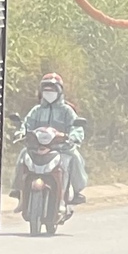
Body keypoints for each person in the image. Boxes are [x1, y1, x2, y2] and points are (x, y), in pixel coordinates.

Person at [19, 72, 88, 212]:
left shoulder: (67, 111)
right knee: (22, 156)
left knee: (75, 157)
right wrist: (21, 132)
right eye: (46, 90)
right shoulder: (36, 110)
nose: (49, 93)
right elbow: (27, 124)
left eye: (52, 90)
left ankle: (77, 190)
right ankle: (18, 190)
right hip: (37, 147)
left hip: (61, 148)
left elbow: (76, 127)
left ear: (59, 91)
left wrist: (74, 136)